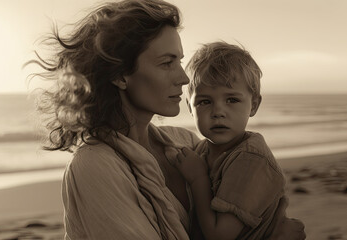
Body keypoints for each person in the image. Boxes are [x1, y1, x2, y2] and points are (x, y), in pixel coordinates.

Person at [28, 0, 305, 239]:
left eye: (180, 61)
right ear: (120, 75)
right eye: (167, 63)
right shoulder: (95, 167)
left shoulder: (184, 143)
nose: (183, 78)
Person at [174, 41, 304, 239]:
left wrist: (198, 179)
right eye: (205, 101)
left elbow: (220, 236)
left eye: (232, 100)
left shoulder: (251, 158)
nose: (218, 112)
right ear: (190, 107)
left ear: (253, 105)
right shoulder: (201, 151)